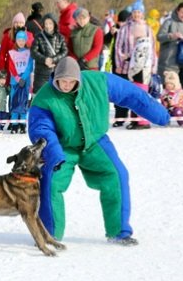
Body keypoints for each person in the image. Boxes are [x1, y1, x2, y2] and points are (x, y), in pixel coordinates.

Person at [28, 57, 169, 244]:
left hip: (95, 141)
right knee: (52, 182)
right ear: (55, 78)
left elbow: (132, 95)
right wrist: (53, 153)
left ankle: (119, 232)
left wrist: (160, 115)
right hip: (62, 146)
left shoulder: (98, 81)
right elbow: (41, 128)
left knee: (117, 174)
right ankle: (49, 235)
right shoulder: (44, 98)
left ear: (79, 79)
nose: (67, 86)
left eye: (72, 82)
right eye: (63, 81)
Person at [114, 0, 157, 130]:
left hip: (143, 67)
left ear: (143, 13)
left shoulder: (148, 29)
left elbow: (153, 48)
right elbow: (118, 47)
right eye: (134, 12)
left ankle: (138, 120)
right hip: (127, 67)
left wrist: (153, 66)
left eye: (139, 12)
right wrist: (121, 60)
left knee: (139, 93)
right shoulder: (125, 28)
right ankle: (120, 118)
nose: (136, 14)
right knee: (124, 93)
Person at [157, 2, 183, 86]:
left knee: (180, 88)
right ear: (177, 11)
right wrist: (171, 36)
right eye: (182, 12)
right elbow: (159, 37)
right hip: (169, 60)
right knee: (169, 86)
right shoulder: (169, 22)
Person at [30, 13, 68, 92]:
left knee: (54, 96)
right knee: (39, 95)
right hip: (40, 74)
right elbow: (33, 52)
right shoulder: (38, 37)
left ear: (54, 24)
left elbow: (65, 51)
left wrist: (53, 59)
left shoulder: (60, 37)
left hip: (56, 72)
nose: (48, 26)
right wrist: (45, 59)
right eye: (46, 23)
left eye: (50, 23)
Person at [8, 31, 34, 134]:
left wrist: (23, 77)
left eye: (23, 40)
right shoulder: (12, 52)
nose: (21, 42)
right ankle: (14, 124)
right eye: (19, 40)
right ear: (16, 40)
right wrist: (17, 78)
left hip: (25, 81)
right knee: (14, 102)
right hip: (15, 81)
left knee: (23, 102)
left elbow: (29, 66)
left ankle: (23, 124)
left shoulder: (29, 53)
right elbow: (11, 66)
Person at [0, 12, 34, 84]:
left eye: (21, 23)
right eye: (16, 22)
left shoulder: (29, 35)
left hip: (24, 69)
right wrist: (2, 71)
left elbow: (32, 48)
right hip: (11, 69)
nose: (18, 25)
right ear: (13, 24)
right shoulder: (7, 36)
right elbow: (2, 55)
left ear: (24, 24)